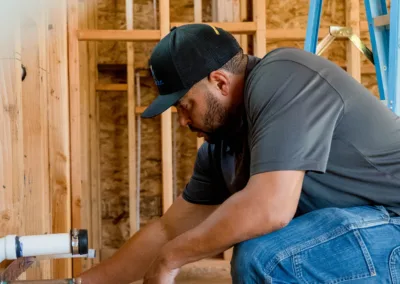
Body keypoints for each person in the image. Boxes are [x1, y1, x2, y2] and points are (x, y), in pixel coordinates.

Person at [79, 23, 400, 284]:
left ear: (219, 82)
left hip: (394, 226)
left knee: (269, 259)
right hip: (374, 229)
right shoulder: (221, 148)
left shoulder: (284, 74)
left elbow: (270, 209)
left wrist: (170, 258)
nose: (182, 121)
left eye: (185, 105)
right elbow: (167, 230)